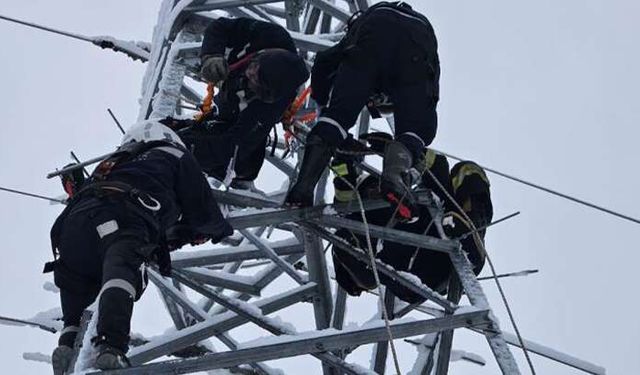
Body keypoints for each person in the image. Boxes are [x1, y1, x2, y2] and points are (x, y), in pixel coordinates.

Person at [46, 120, 233, 372]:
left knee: (77, 280)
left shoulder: (113, 163)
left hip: (72, 226)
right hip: (123, 213)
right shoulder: (173, 152)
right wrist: (220, 229)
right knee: (121, 268)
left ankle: (69, 342)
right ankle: (110, 346)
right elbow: (203, 212)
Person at [285, 2, 440, 220]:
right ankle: (394, 178)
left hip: (373, 32)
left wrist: (324, 109)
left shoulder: (359, 32)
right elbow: (428, 91)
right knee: (416, 131)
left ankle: (303, 188)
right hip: (418, 42)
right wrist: (418, 129)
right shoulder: (419, 43)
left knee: (338, 117)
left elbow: (323, 62)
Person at [330, 143, 492, 304]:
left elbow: (437, 165)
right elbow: (345, 199)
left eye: (378, 187)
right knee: (344, 240)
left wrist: (401, 149)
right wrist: (342, 160)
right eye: (371, 190)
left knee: (466, 171)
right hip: (413, 276)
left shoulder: (415, 198)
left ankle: (469, 228)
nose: (376, 192)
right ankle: (463, 231)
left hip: (447, 237)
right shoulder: (360, 222)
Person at [167, 17, 309, 187]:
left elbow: (233, 146)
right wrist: (211, 55)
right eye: (254, 70)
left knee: (234, 157)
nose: (249, 76)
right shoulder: (270, 35)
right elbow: (220, 27)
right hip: (231, 93)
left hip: (237, 123)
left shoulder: (269, 109)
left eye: (255, 83)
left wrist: (182, 146)